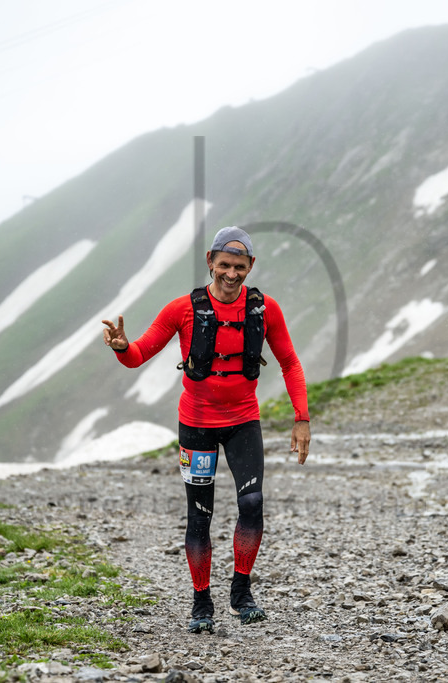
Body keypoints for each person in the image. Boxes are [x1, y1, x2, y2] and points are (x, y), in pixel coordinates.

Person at [102, 225, 311, 633]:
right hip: (196, 424)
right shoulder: (181, 309)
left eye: (240, 267)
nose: (231, 275)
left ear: (251, 266)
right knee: (200, 514)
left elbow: (290, 363)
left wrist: (301, 417)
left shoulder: (266, 310)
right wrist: (123, 347)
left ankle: (241, 592)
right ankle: (202, 603)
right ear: (210, 263)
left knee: (252, 504)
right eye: (224, 265)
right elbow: (139, 355)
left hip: (243, 422)